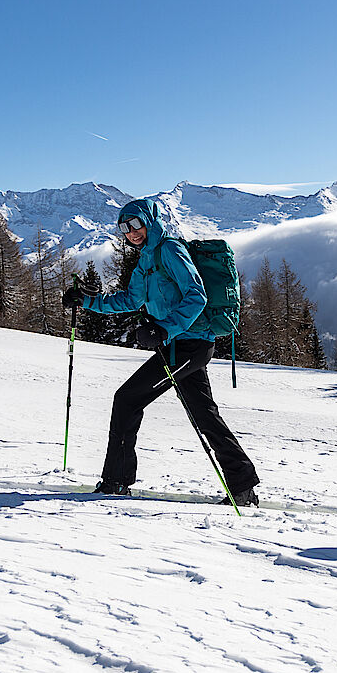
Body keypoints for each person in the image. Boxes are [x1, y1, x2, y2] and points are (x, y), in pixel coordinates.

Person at [62, 198, 260, 506]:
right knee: (204, 414)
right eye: (124, 228)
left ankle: (116, 480)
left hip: (189, 345)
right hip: (179, 344)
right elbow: (130, 298)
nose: (131, 232)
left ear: (149, 221)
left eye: (135, 224)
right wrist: (87, 301)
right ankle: (243, 484)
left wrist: (164, 328)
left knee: (127, 399)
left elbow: (198, 296)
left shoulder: (169, 249)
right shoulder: (146, 259)